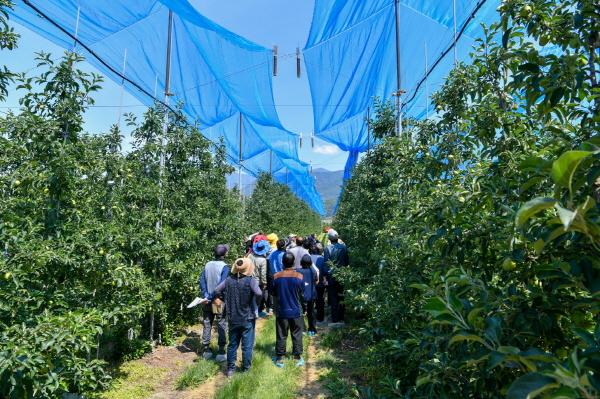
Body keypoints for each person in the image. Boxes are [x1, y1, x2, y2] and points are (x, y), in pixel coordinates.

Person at [214, 258, 262, 377]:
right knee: (247, 345)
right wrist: (255, 302)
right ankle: (246, 368)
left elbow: (216, 290)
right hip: (247, 317)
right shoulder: (250, 281)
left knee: (232, 344)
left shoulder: (228, 280)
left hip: (232, 317)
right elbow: (259, 293)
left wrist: (222, 298)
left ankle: (231, 369)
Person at [272, 252, 305, 368]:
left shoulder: (276, 277)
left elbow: (273, 293)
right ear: (293, 262)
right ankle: (297, 357)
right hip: (296, 310)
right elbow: (302, 293)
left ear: (283, 262)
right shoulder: (299, 276)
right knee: (296, 333)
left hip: (282, 310)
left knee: (281, 334)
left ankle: (280, 358)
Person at [198, 244, 229, 361]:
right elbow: (222, 284)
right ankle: (221, 351)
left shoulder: (207, 265)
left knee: (207, 322)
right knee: (221, 323)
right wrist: (212, 296)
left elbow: (202, 280)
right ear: (224, 254)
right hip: (218, 300)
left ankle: (206, 349)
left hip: (207, 301)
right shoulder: (225, 267)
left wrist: (206, 295)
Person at [324, 230, 349, 327]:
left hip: (332, 276)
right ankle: (341, 316)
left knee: (333, 297)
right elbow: (347, 262)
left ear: (329, 239)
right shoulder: (343, 247)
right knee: (341, 295)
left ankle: (334, 318)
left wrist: (326, 275)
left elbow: (326, 264)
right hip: (342, 275)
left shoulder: (327, 249)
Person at [248, 239, 269, 317]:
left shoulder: (250, 256)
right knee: (258, 298)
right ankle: (256, 314)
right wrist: (264, 283)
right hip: (257, 281)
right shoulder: (263, 260)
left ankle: (251, 313)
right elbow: (263, 273)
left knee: (250, 297)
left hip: (249, 279)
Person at [299, 254, 318, 336]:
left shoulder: (298, 271)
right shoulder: (313, 271)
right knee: (311, 312)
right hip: (311, 294)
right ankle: (312, 329)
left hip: (301, 295)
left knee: (301, 312)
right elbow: (316, 281)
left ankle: (303, 329)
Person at [311, 243, 329, 323]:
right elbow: (325, 271)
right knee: (320, 300)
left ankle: (311, 317)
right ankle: (320, 317)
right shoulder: (323, 259)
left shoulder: (309, 257)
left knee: (311, 300)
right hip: (320, 283)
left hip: (310, 283)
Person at [267, 239, 287, 315]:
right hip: (282, 275)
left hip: (274, 276)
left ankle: (275, 309)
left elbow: (269, 262)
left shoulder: (272, 254)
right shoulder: (284, 254)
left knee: (275, 294)